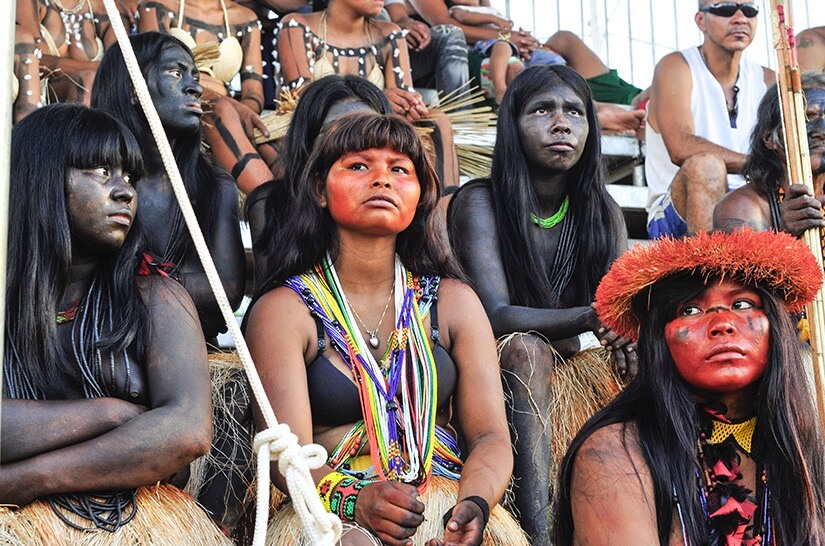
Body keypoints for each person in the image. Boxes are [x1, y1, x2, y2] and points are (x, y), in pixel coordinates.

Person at [245, 112, 527, 545]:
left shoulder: (453, 302)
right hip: (329, 517)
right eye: (359, 166)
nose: (382, 179)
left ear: (419, 196)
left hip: (443, 500)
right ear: (320, 190)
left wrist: (472, 508)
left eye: (400, 169)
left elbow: (489, 435)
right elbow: (288, 457)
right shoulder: (284, 311)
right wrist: (355, 501)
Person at [0, 103, 228, 545]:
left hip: (132, 527)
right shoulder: (6, 301)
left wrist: (25, 481)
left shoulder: (156, 294)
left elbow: (187, 432)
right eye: (101, 171)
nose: (124, 190)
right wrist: (109, 414)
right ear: (41, 178)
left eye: (128, 176)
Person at [447, 64, 630, 544]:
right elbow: (495, 315)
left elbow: (622, 304)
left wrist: (628, 335)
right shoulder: (479, 201)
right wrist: (592, 315)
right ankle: (537, 534)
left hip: (572, 364)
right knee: (528, 349)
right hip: (493, 365)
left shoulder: (600, 210)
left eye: (574, 111)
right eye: (542, 110)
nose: (561, 123)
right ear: (513, 124)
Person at [554, 229, 825, 544]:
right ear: (659, 338)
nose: (722, 324)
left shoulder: (800, 449)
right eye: (690, 310)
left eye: (741, 303)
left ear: (775, 326)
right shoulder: (613, 452)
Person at [91, 31, 246, 342]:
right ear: (134, 88)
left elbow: (226, 292)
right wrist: (178, 285)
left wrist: (133, 282)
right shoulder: (91, 178)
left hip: (192, 349)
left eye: (195, 75)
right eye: (176, 73)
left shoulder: (215, 186)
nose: (195, 87)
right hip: (100, 346)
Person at [274, 0, 460, 191]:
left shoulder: (390, 34)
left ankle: (448, 208)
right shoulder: (296, 25)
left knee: (438, 120)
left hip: (375, 132)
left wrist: (409, 105)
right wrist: (376, 98)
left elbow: (401, 100)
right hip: (320, 129)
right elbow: (305, 98)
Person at [246, 74, 393, 286]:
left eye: (366, 130)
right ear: (309, 142)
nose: (352, 143)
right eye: (337, 132)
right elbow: (272, 298)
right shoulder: (271, 205)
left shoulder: (408, 201)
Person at [645, 0, 774, 238]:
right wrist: (758, 165)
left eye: (749, 10)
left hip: (751, 207)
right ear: (700, 21)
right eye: (725, 8)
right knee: (706, 166)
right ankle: (709, 273)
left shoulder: (767, 80)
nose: (740, 18)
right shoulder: (676, 66)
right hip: (677, 214)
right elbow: (681, 147)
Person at [137, 0, 271, 195]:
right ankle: (268, 201)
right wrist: (225, 104)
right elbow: (160, 71)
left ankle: (288, 202)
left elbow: (253, 92)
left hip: (230, 112)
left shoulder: (246, 18)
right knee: (220, 110)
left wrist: (243, 112)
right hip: (177, 105)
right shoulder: (157, 5)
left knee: (272, 140)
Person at [713, 72, 825, 236]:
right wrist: (785, 235)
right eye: (807, 118)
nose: (821, 131)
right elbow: (743, 262)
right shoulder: (744, 206)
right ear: (769, 138)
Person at [14, 0, 132, 105]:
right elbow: (30, 61)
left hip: (93, 101)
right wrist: (98, 69)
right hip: (37, 92)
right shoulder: (28, 2)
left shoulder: (109, 9)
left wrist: (99, 71)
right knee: (87, 84)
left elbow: (120, 70)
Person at [382, 0, 470, 101]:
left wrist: (411, 27)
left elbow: (399, 18)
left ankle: (460, 112)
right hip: (372, 54)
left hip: (393, 49)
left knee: (451, 34)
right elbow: (441, 18)